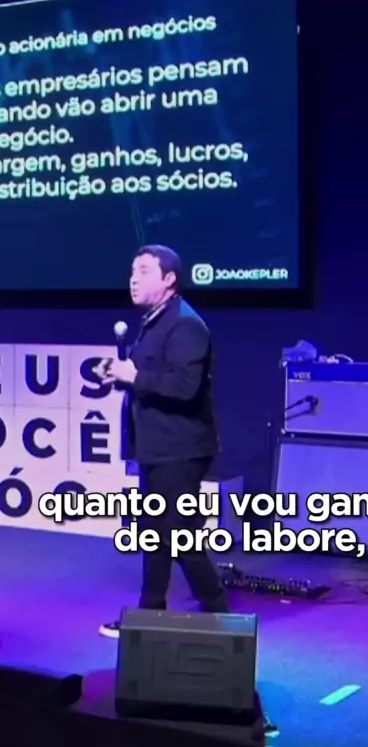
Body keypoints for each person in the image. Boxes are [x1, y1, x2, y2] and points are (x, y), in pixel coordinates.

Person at [99, 245, 230, 638]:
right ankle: (150, 613)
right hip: (157, 447)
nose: (133, 280)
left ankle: (220, 613)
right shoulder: (156, 321)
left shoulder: (186, 325)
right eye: (132, 271)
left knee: (178, 535)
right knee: (156, 531)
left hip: (181, 449)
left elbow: (185, 387)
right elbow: (153, 374)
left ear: (169, 279)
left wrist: (135, 377)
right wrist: (122, 373)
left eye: (143, 271)